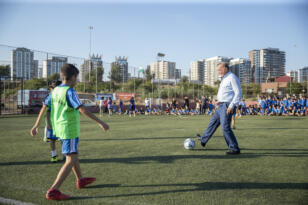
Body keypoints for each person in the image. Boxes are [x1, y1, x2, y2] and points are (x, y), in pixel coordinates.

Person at [44, 64, 109, 200]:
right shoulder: (70, 91)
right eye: (77, 78)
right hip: (69, 129)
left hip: (59, 128)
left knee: (73, 155)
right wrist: (100, 122)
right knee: (71, 158)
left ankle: (80, 179)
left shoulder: (55, 91)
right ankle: (54, 190)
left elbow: (47, 107)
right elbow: (82, 109)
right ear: (73, 77)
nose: (77, 81)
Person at [196, 62, 241, 155]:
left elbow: (238, 93)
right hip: (220, 105)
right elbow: (226, 93)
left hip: (227, 106)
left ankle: (234, 148)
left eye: (220, 69)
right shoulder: (224, 78)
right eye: (218, 70)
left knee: (225, 127)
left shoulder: (232, 77)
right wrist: (218, 101)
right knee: (212, 123)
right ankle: (204, 140)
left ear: (226, 68)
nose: (219, 71)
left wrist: (231, 105)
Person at [30, 81, 62, 163]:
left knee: (61, 140)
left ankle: (63, 155)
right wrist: (46, 124)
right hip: (54, 123)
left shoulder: (60, 95)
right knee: (53, 140)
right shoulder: (51, 97)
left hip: (61, 123)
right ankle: (54, 156)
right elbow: (46, 111)